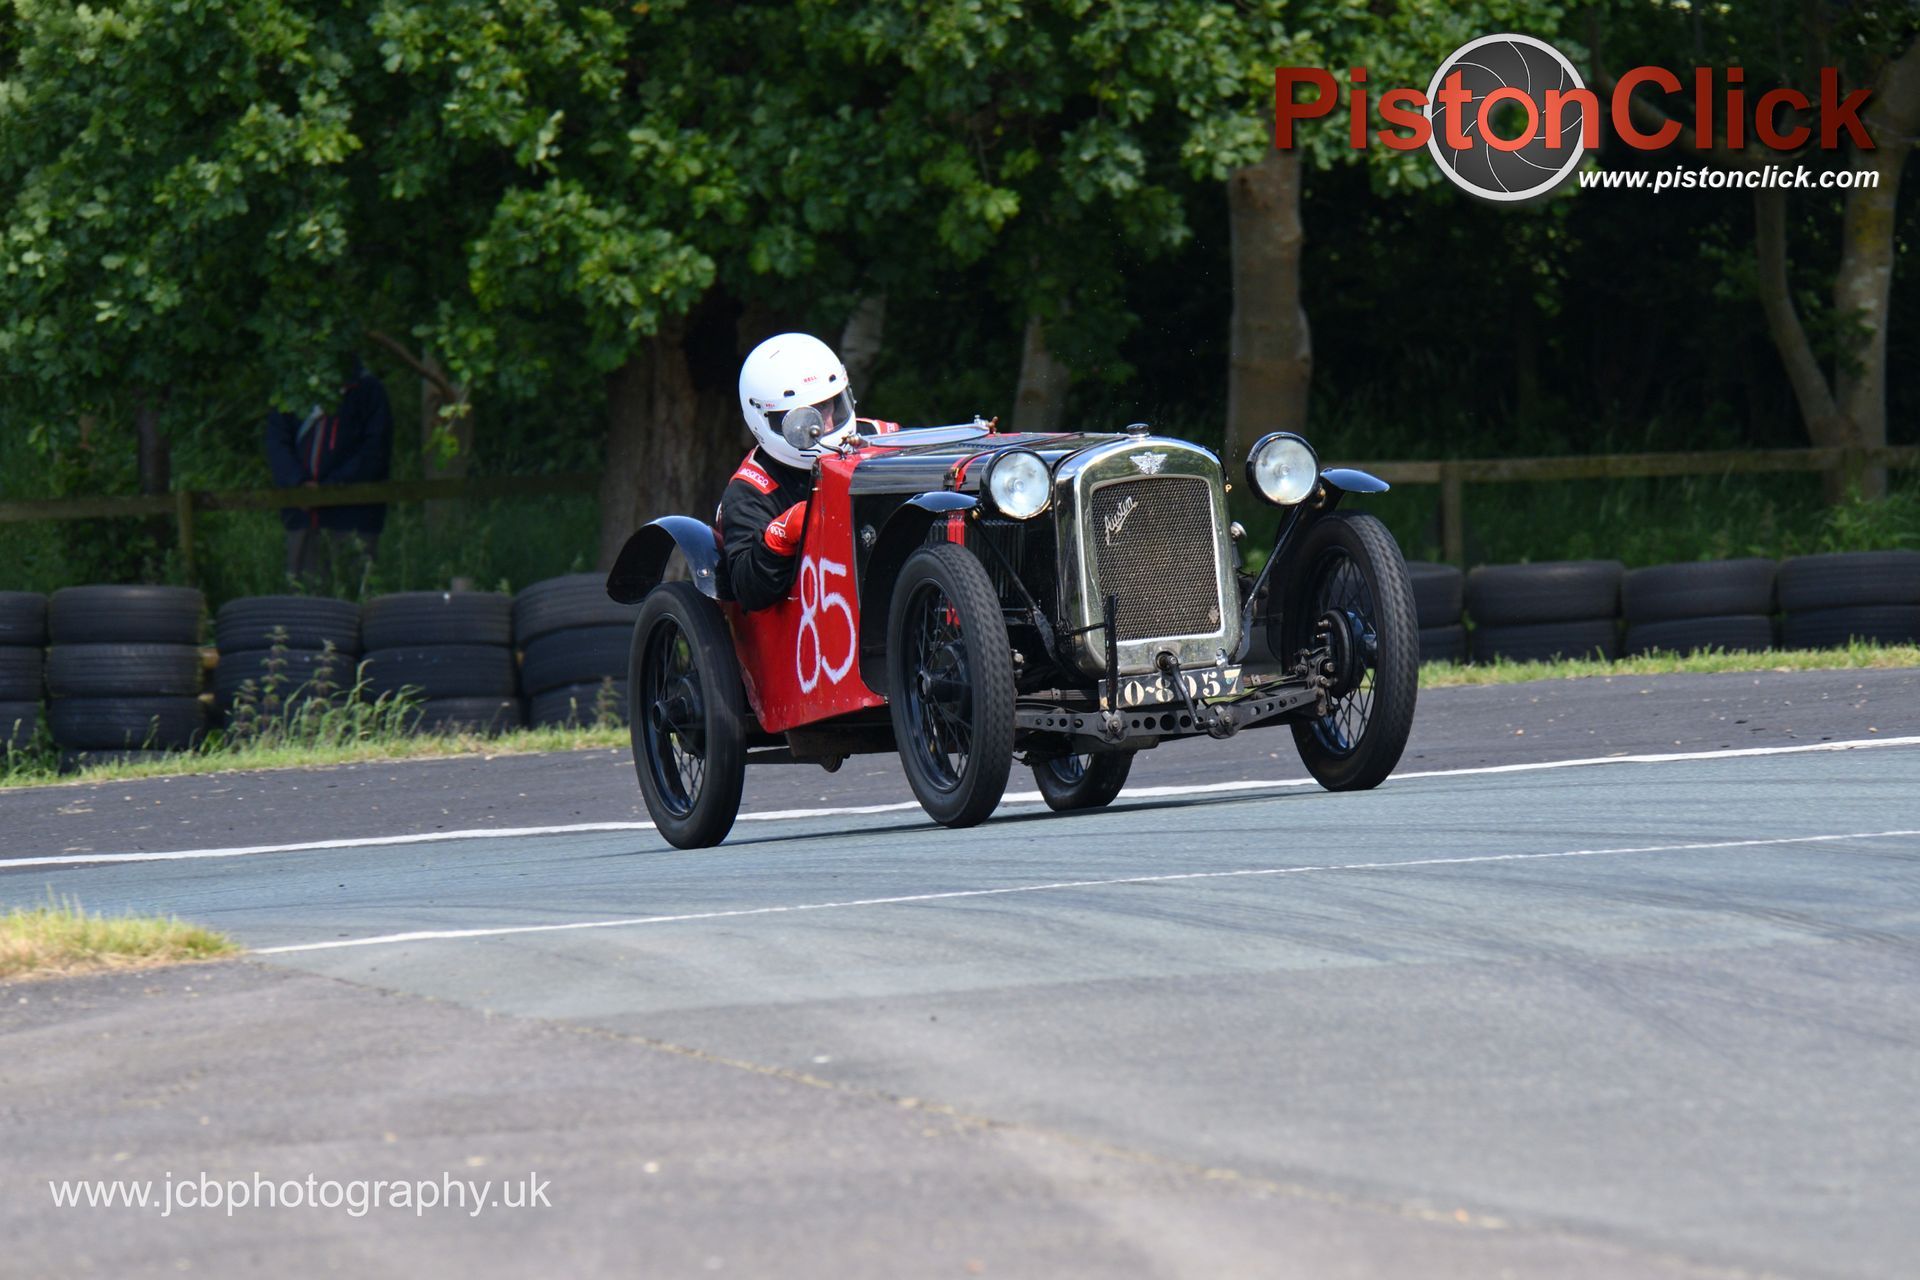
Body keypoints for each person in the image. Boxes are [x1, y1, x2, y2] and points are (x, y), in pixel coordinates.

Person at [721, 333, 895, 612]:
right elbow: (748, 590)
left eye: (828, 405)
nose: (824, 425)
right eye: (804, 417)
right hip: (815, 617)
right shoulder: (751, 488)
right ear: (766, 419)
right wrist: (778, 535)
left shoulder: (877, 435)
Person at [266, 361, 394, 590]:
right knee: (304, 596)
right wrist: (299, 484)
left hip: (354, 517)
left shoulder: (368, 390)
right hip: (302, 516)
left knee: (354, 592)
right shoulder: (292, 388)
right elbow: (278, 442)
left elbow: (374, 450)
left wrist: (331, 488)